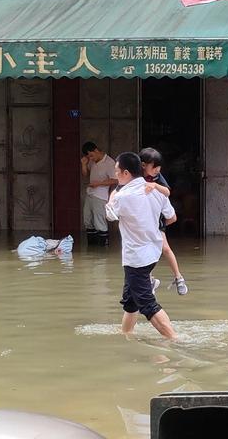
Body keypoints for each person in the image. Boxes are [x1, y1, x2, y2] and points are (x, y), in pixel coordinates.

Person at [106, 152, 178, 340]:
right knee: (131, 302)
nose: (115, 175)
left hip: (136, 259)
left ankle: (175, 341)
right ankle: (126, 336)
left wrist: (115, 192)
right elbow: (171, 217)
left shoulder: (123, 197)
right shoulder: (156, 190)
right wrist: (149, 226)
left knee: (147, 305)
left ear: (126, 173)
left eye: (116, 171)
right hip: (152, 252)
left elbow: (110, 215)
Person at [139, 147, 188, 296]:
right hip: (142, 222)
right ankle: (150, 279)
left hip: (156, 221)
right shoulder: (135, 177)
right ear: (143, 165)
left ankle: (178, 278)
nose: (157, 170)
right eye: (154, 166)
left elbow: (167, 192)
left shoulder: (157, 177)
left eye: (159, 167)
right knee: (145, 252)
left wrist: (154, 185)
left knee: (165, 249)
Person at [81, 142, 118, 246]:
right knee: (87, 220)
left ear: (96, 150)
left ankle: (103, 251)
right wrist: (84, 164)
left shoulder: (109, 162)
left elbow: (115, 180)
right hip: (90, 194)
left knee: (99, 222)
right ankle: (91, 249)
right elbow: (85, 174)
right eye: (89, 157)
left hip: (100, 196)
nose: (91, 158)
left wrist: (99, 184)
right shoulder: (92, 161)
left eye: (91, 155)